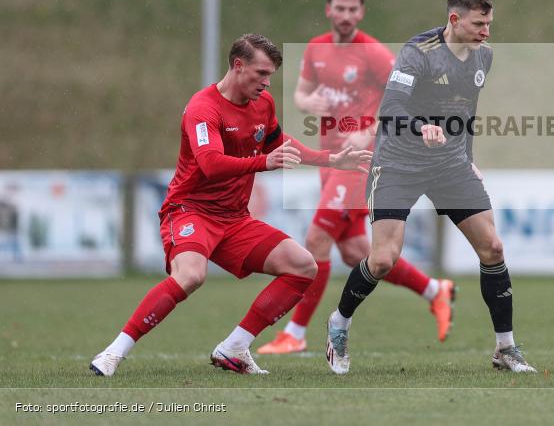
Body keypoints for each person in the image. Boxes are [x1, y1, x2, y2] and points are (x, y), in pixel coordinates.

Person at [89, 34, 372, 377]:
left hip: (235, 219)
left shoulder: (263, 103)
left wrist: (330, 159)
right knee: (191, 275)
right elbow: (210, 163)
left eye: (270, 75)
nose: (267, 82)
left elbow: (278, 143)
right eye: (261, 73)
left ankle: (235, 347)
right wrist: (263, 163)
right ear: (238, 66)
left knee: (303, 266)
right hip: (190, 210)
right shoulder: (202, 109)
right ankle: (114, 352)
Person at [323, 0, 537, 375]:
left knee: (492, 247)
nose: (487, 32)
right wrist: (422, 127)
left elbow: (467, 112)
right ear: (454, 19)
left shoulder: (483, 56)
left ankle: (505, 348)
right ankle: (339, 322)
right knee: (383, 259)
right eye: (479, 24)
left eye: (489, 23)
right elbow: (391, 108)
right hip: (398, 164)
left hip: (449, 164)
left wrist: (467, 158)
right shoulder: (418, 52)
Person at [256, 0, 456, 355]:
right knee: (355, 252)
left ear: (361, 12)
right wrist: (308, 103)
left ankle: (295, 333)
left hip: (360, 162)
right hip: (331, 160)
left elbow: (403, 100)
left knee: (316, 240)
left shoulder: (374, 54)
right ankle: (434, 290)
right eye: (340, 8)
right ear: (328, 10)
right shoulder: (316, 48)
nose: (346, 16)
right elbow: (300, 94)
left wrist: (367, 132)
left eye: (353, 9)